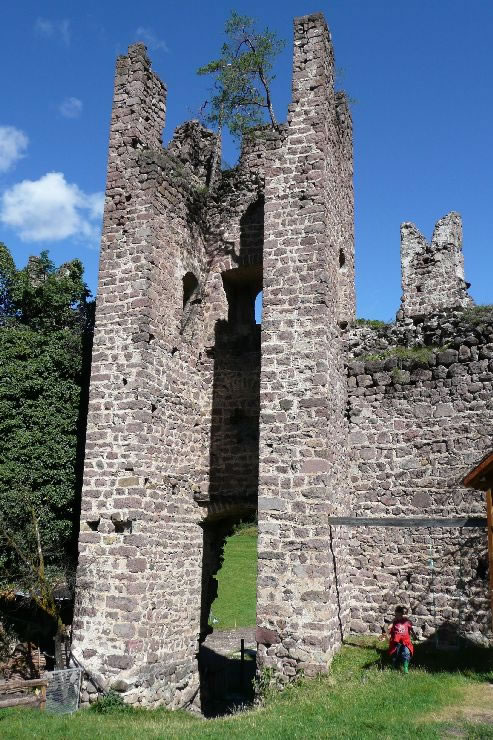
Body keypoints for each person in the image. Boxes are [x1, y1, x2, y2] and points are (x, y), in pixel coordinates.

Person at [387, 606, 416, 673]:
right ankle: (394, 665)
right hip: (397, 641)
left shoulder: (406, 621)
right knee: (395, 653)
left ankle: (405, 667)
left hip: (406, 641)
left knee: (406, 653)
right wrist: (393, 620)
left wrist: (414, 635)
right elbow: (389, 627)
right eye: (396, 615)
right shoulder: (395, 622)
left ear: (402, 614)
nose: (398, 616)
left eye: (399, 615)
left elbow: (411, 629)